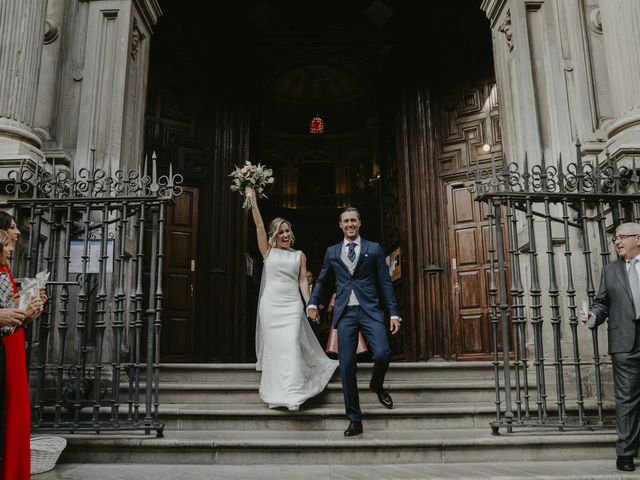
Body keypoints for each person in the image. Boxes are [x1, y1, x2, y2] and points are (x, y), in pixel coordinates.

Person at [308, 207, 401, 437]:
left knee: (382, 354)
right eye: (345, 221)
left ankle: (376, 385)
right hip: (345, 314)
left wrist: (394, 313)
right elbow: (321, 280)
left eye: (353, 220)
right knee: (347, 367)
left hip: (370, 310)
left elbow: (385, 283)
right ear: (340, 225)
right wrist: (312, 303)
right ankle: (354, 419)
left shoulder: (374, 248)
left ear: (360, 222)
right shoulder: (332, 252)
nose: (350, 224)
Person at [247, 188, 337, 410]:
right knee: (277, 347)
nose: (286, 235)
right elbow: (258, 225)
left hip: (292, 306)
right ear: (274, 235)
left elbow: (302, 282)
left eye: (288, 231)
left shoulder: (299, 255)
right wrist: (252, 199)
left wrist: (310, 305)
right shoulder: (267, 252)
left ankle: (294, 392)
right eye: (281, 232)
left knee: (290, 343)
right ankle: (278, 390)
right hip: (271, 305)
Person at [580, 222, 640, 472]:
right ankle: (625, 453)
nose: (617, 242)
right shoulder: (610, 270)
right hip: (625, 343)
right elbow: (602, 302)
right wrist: (592, 316)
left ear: (638, 238)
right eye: (615, 238)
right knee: (626, 399)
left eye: (622, 237)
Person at [0, 227, 44, 480]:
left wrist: (26, 313)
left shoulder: (5, 271)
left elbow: (8, 314)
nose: (14, 239)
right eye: (10, 230)